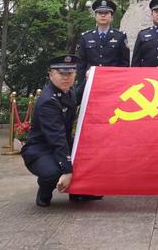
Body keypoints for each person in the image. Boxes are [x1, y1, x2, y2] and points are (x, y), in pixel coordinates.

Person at [21, 55, 102, 206]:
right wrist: (67, 171)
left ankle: (78, 193)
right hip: (40, 149)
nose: (66, 78)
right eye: (61, 74)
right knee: (54, 172)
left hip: (60, 143)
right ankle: (44, 192)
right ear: (50, 74)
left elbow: (76, 96)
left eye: (70, 74)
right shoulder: (47, 101)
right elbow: (56, 138)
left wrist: (88, 79)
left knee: (89, 157)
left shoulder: (67, 90)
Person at [76, 0, 130, 97]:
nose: (103, 15)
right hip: (90, 82)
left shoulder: (120, 36)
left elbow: (124, 63)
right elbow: (81, 64)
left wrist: (121, 84)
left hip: (112, 84)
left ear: (112, 17)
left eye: (106, 13)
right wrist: (81, 85)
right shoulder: (86, 37)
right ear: (95, 16)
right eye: (100, 13)